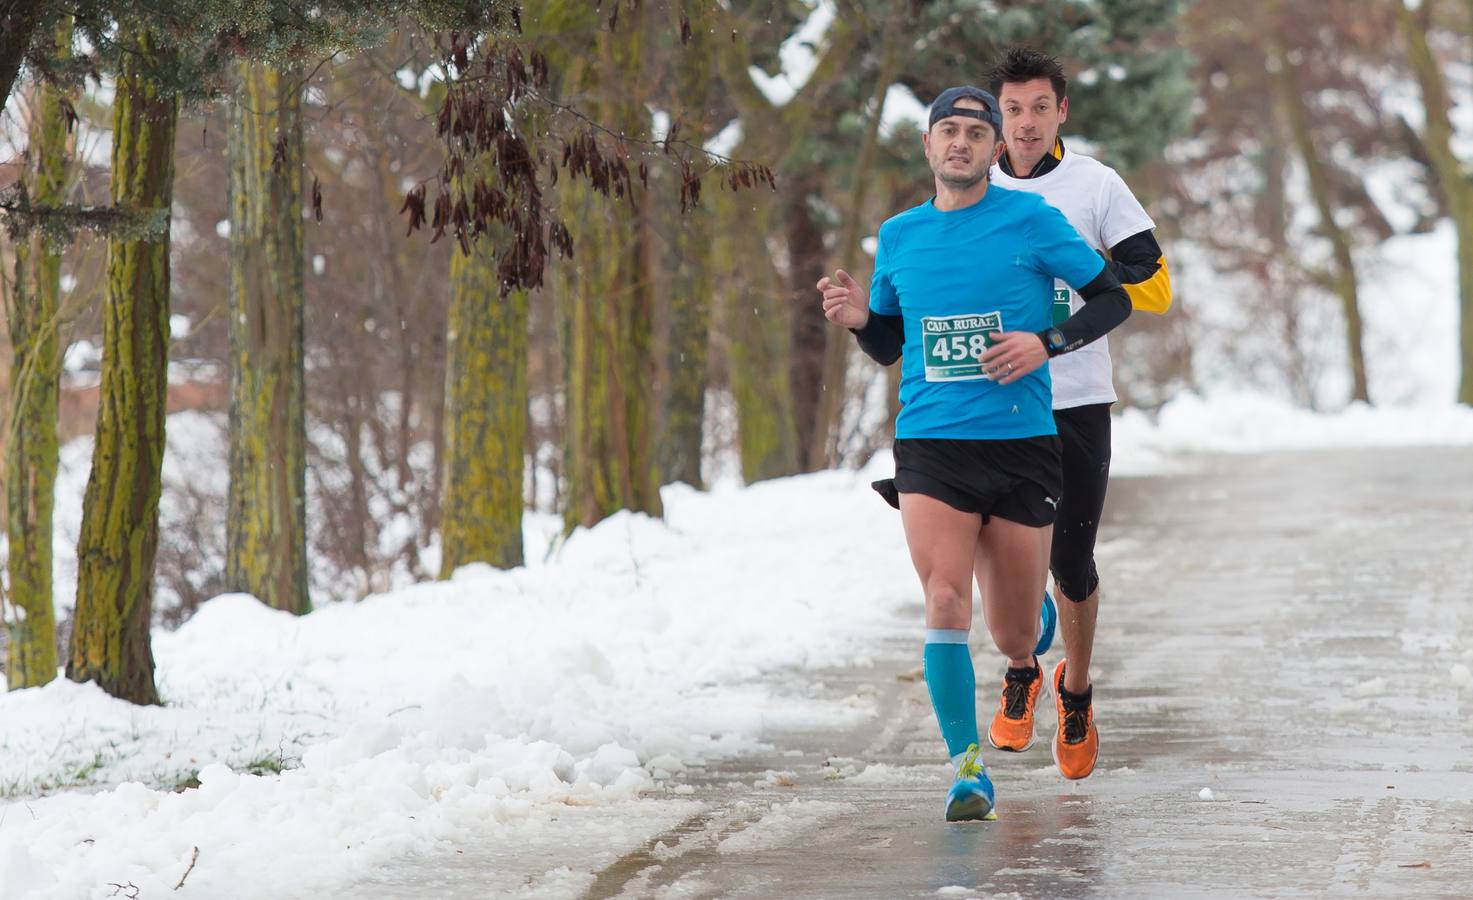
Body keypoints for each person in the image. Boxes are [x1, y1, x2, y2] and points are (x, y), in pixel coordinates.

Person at [816, 86, 1130, 821]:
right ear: (927, 146)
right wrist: (862, 319)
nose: (959, 142)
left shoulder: (1030, 220)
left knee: (1013, 632)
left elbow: (1111, 297)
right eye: (946, 130)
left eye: (974, 132)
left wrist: (1043, 344)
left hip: (1021, 446)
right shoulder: (898, 235)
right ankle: (967, 772)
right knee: (944, 599)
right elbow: (893, 342)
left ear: (996, 151)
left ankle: (1028, 656)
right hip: (932, 445)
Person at [986, 47, 1173, 780]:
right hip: (994, 400)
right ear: (995, 114)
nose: (1025, 124)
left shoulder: (1093, 184)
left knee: (1068, 558)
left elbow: (1149, 276)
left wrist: (1083, 271)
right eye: (1012, 109)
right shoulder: (972, 188)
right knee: (1003, 557)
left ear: (1061, 110)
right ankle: (1019, 668)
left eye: (1039, 107)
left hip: (1076, 398)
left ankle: (1076, 688)